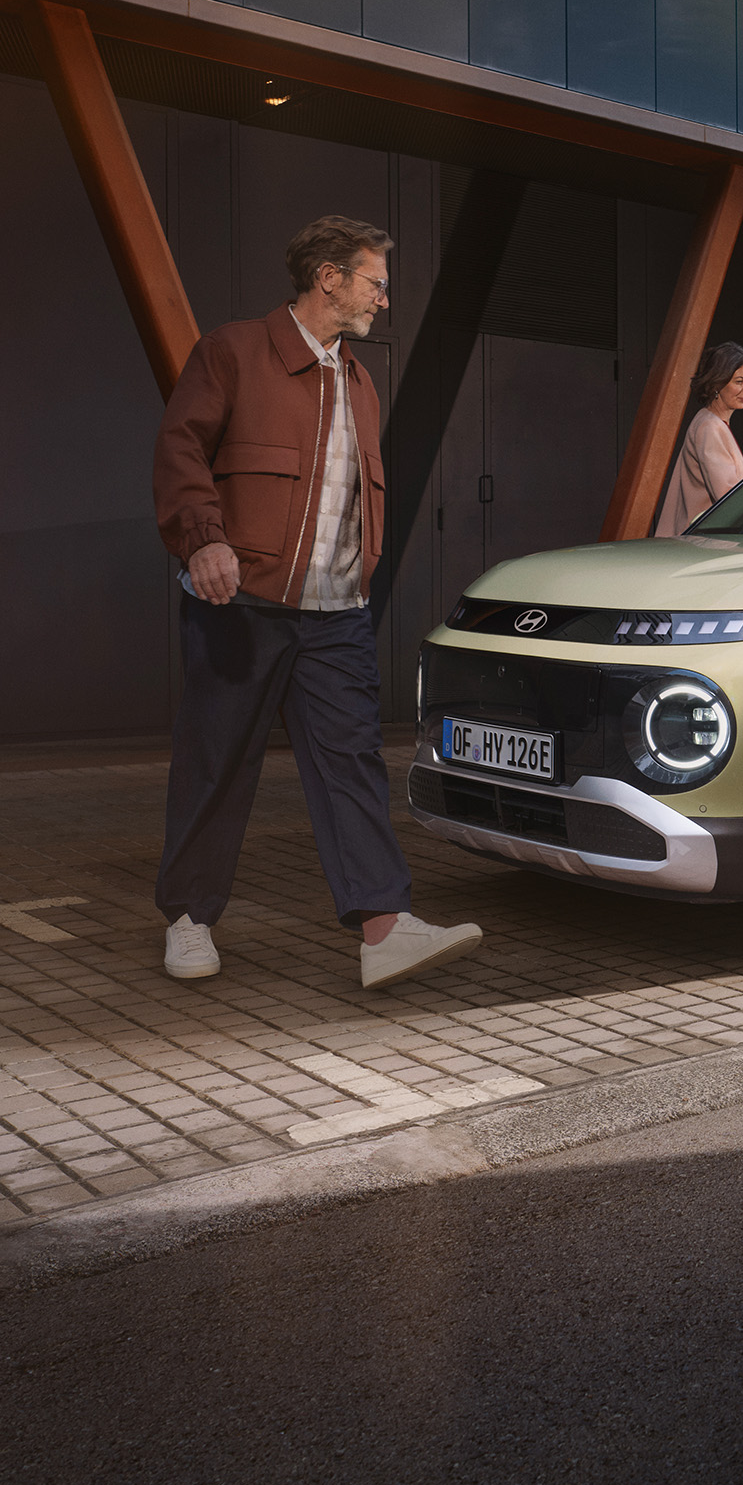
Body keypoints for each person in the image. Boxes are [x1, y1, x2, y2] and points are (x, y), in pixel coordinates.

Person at [151, 215, 483, 991]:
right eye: (376, 282)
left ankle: (383, 927)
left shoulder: (360, 381)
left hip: (337, 617)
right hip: (244, 605)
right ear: (328, 278)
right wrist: (203, 538)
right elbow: (179, 450)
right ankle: (190, 918)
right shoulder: (234, 352)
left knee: (351, 766)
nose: (385, 301)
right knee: (216, 763)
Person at [654, 341, 743, 535]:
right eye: (739, 381)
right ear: (717, 384)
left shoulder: (709, 421)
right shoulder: (710, 427)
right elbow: (732, 501)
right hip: (705, 543)